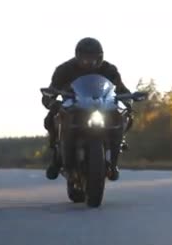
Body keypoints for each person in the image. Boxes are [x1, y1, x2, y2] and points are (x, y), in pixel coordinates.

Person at [41, 37, 133, 181]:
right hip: (74, 106)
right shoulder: (64, 69)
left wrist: (128, 101)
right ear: (78, 56)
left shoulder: (109, 69)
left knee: (126, 116)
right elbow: (51, 91)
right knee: (50, 119)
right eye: (85, 58)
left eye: (94, 58)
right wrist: (52, 102)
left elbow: (122, 89)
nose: (89, 62)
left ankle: (116, 152)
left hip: (102, 105)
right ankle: (56, 156)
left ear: (100, 57)